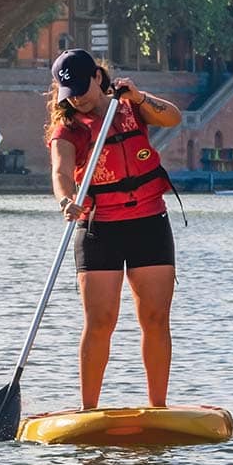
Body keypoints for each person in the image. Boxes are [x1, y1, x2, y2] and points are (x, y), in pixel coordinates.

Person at [46, 49, 182, 410]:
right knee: (100, 321)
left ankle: (158, 407)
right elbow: (61, 172)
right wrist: (66, 201)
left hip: (148, 223)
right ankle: (88, 409)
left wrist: (139, 97)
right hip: (98, 228)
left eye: (80, 88)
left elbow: (173, 118)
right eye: (68, 93)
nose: (76, 98)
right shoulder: (69, 128)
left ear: (97, 76)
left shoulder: (131, 107)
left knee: (154, 318)